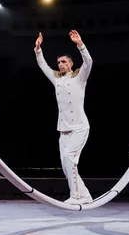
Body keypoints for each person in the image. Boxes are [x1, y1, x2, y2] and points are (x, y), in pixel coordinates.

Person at [34, 30, 93, 205]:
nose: (60, 64)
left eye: (64, 61)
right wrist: (38, 49)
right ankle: (85, 195)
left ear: (71, 63)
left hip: (80, 127)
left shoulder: (79, 77)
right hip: (63, 129)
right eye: (59, 62)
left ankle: (75, 197)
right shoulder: (57, 79)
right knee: (67, 167)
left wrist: (80, 44)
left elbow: (88, 62)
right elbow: (43, 66)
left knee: (69, 159)